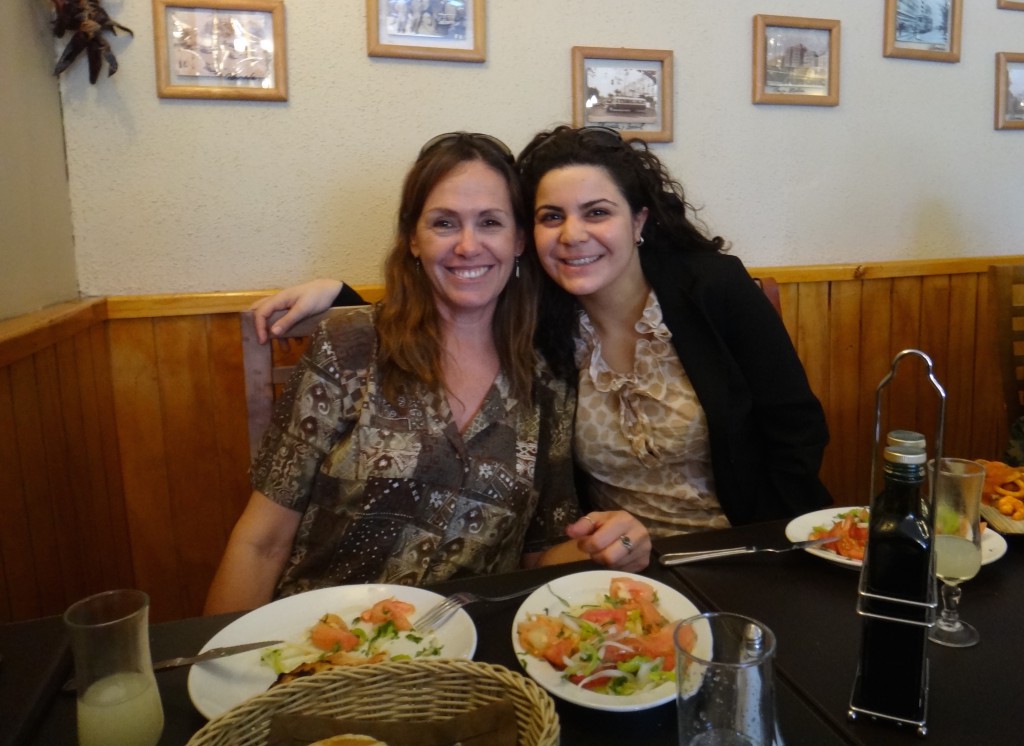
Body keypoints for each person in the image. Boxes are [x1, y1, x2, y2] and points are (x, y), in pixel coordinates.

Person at [249, 125, 832, 541]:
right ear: (531, 235)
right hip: (612, 567)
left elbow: (796, 428)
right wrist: (341, 296)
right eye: (552, 216)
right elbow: (449, 296)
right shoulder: (538, 315)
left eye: (597, 212)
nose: (573, 234)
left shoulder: (712, 289)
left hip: (749, 547)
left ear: (639, 221)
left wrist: (767, 547)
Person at [204, 132, 650, 615]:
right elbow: (262, 542)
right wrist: (221, 671)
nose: (467, 245)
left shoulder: (546, 381)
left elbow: (539, 554)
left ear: (518, 239)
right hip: (320, 646)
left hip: (462, 659)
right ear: (413, 238)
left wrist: (606, 546)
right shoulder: (348, 346)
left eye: (490, 222)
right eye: (443, 223)